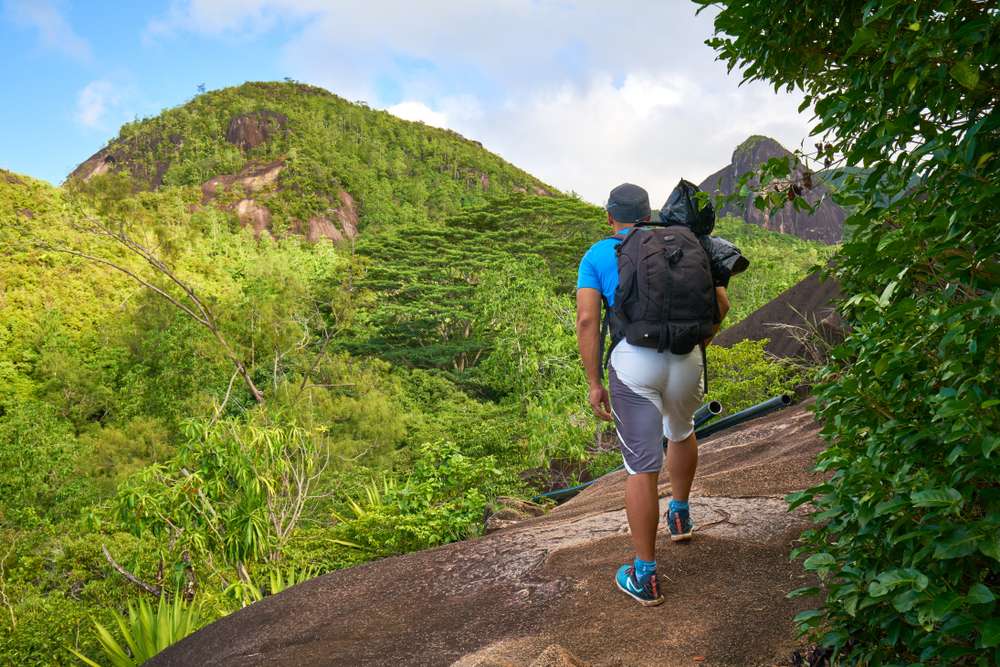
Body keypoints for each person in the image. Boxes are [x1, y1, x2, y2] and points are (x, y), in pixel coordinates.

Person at [575, 183, 730, 606]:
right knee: (681, 431)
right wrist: (696, 346)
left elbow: (589, 322)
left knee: (641, 467)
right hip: (687, 358)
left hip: (634, 364)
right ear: (650, 213)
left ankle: (645, 575)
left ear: (610, 217)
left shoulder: (599, 254)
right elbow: (721, 304)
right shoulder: (684, 242)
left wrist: (594, 383)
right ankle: (680, 514)